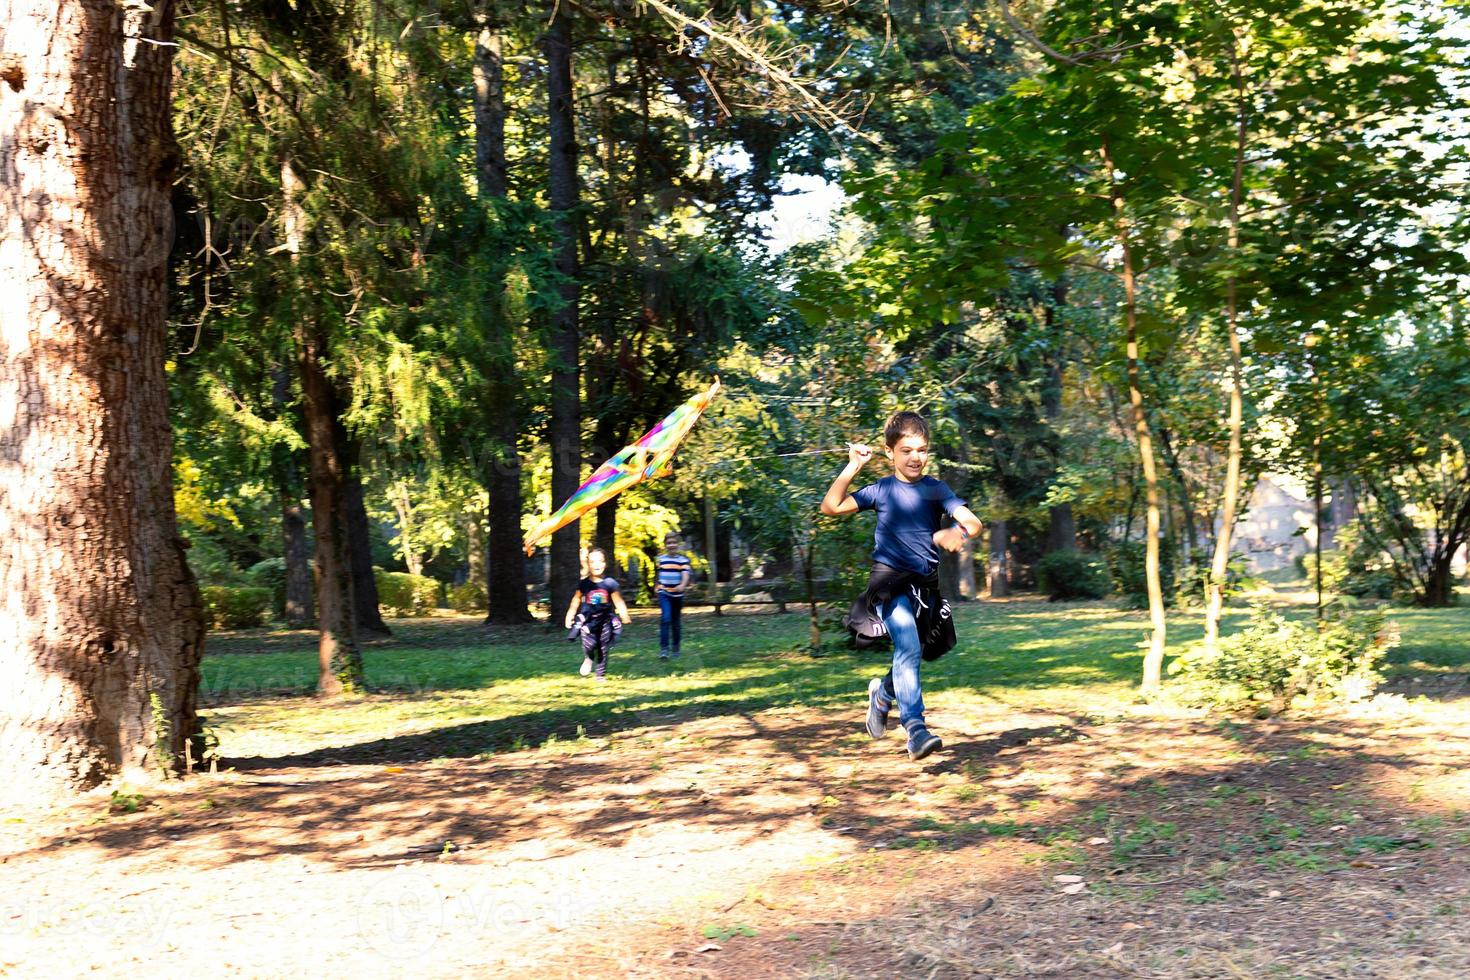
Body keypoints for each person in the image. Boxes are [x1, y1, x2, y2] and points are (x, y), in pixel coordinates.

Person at [820, 410, 983, 761]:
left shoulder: (935, 490)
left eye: (922, 450)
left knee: (914, 653)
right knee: (907, 645)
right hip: (889, 582)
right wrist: (853, 467)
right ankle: (915, 729)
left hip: (924, 588)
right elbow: (830, 507)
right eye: (906, 450)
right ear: (890, 451)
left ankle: (882, 695)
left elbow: (972, 521)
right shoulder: (881, 490)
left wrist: (958, 531)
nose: (915, 457)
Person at [563, 547, 632, 681]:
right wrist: (570, 614)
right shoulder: (584, 584)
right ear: (588, 564)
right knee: (589, 646)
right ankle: (589, 658)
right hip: (588, 621)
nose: (597, 565)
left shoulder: (610, 584)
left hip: (605, 622)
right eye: (593, 562)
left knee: (603, 647)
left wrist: (624, 615)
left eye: (600, 561)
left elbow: (618, 601)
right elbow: (576, 599)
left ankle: (600, 675)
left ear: (605, 563)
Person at [655, 532, 692, 659]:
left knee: (676, 622)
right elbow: (658, 574)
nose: (672, 545)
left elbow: (686, 574)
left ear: (678, 544)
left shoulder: (683, 560)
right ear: (665, 545)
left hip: (677, 595)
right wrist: (657, 586)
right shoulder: (661, 559)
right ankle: (664, 649)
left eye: (674, 542)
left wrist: (682, 585)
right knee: (665, 619)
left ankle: (676, 647)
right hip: (664, 593)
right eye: (669, 543)